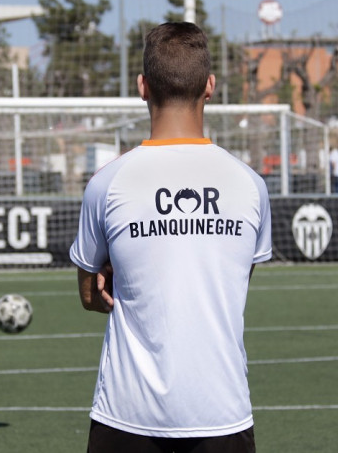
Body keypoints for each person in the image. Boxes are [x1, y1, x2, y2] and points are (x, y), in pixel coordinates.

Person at [69, 22, 272, 453]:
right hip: (222, 418)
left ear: (142, 86)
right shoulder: (250, 184)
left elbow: (91, 297)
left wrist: (112, 273)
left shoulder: (107, 183)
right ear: (211, 86)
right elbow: (236, 284)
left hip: (125, 420)